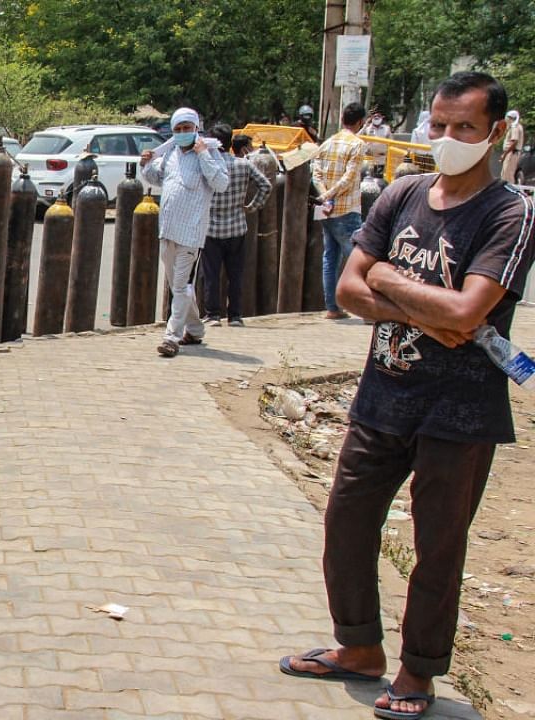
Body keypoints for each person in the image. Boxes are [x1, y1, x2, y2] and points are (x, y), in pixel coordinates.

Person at [280, 71, 535, 720]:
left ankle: (418, 673)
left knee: (438, 547)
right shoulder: (404, 192)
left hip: (461, 412)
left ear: (496, 132)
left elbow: (473, 306)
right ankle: (358, 646)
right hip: (382, 397)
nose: (448, 139)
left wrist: (391, 283)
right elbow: (348, 291)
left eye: (466, 129)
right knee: (346, 522)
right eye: (439, 126)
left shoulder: (509, 213)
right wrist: (433, 314)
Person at [139, 107, 230, 357]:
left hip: (191, 234)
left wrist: (203, 155)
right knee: (178, 286)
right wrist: (145, 163)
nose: (182, 133)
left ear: (196, 129)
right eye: (177, 130)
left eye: (186, 129)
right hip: (167, 230)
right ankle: (196, 329)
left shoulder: (210, 152)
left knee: (180, 286)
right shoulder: (170, 155)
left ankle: (171, 337)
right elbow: (157, 179)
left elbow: (221, 183)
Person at [200, 127, 270, 327]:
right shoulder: (243, 165)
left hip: (211, 228)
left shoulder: (208, 167)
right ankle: (235, 316)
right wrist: (252, 206)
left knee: (211, 274)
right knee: (236, 274)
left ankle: (212, 315)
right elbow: (266, 185)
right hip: (237, 227)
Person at [312, 102, 368, 320]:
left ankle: (333, 308)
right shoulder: (357, 145)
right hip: (347, 210)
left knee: (330, 258)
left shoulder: (327, 143)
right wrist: (330, 195)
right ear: (360, 122)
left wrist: (325, 195)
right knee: (358, 259)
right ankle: (366, 310)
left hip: (327, 211)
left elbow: (316, 174)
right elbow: (350, 177)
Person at [360, 109, 393, 175]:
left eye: (378, 116)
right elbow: (359, 136)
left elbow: (391, 142)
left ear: (382, 117)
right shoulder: (367, 128)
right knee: (368, 177)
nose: (376, 117)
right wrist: (365, 125)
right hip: (369, 158)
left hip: (381, 159)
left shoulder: (386, 128)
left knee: (378, 178)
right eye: (374, 116)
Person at [500, 109, 523, 183]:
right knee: (505, 174)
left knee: (507, 175)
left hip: (511, 153)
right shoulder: (517, 126)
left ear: (511, 118)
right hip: (511, 153)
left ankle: (507, 193)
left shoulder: (515, 127)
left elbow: (514, 141)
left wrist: (505, 154)